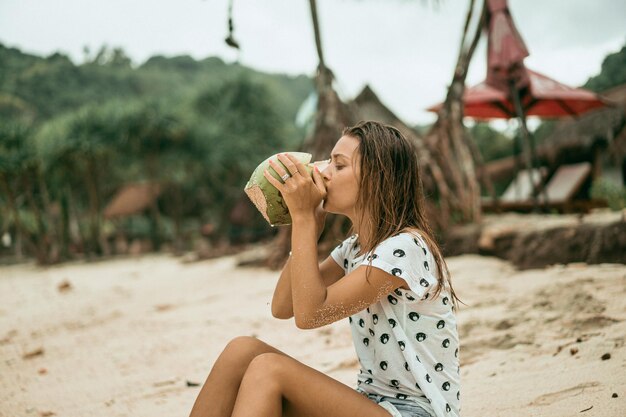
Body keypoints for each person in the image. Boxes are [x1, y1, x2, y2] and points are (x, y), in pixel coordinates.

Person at [188, 121, 461, 417]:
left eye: (339, 165)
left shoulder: (404, 248)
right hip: (372, 404)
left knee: (268, 370)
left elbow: (310, 315)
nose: (324, 172)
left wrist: (304, 219)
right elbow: (283, 306)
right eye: (329, 161)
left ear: (376, 179)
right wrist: (309, 227)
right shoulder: (354, 249)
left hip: (416, 412)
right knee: (242, 350)